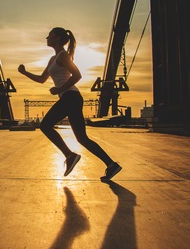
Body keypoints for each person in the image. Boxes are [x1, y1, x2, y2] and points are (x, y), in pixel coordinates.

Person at [18, 27, 122, 181]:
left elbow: (77, 75)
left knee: (45, 126)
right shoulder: (53, 59)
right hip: (70, 98)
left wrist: (60, 88)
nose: (46, 38)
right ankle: (111, 164)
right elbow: (42, 79)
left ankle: (70, 155)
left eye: (50, 35)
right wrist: (24, 72)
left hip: (70, 97)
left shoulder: (63, 56)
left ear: (57, 38)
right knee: (82, 138)